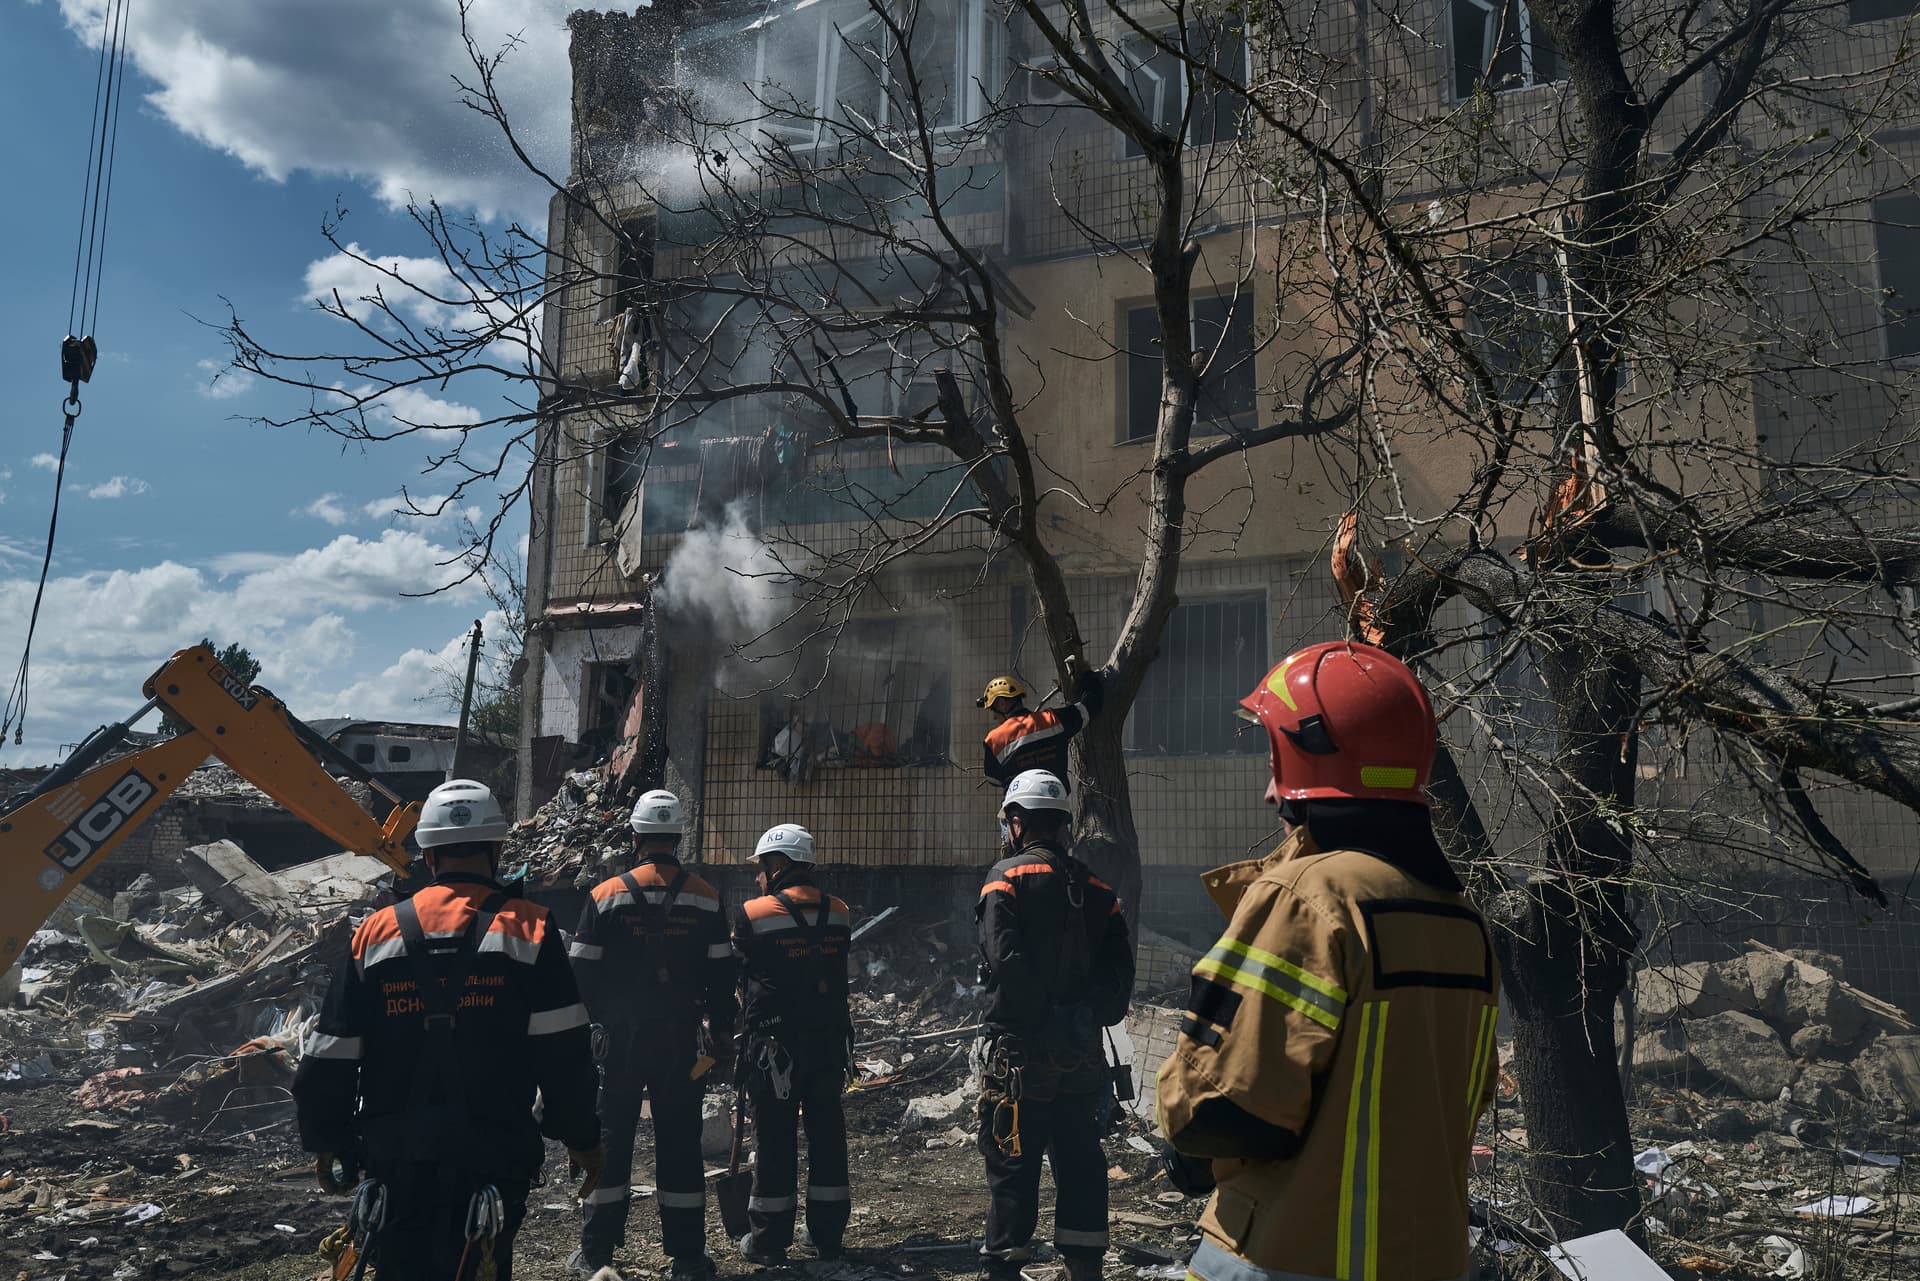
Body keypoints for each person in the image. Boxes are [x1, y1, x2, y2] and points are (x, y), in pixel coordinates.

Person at [1157, 642, 1502, 1281]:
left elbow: (1223, 1106)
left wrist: (1186, 1138)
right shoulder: (1462, 923)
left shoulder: (1307, 897)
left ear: (1312, 754)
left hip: (1287, 1256)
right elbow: (1464, 1099)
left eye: (1275, 758)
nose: (1270, 790)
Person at [294, 779, 602, 1281]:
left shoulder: (374, 932)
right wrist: (581, 1136)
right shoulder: (531, 928)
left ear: (428, 855)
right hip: (495, 1156)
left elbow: (331, 1051)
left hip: (396, 1157)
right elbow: (564, 1055)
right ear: (497, 851)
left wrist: (326, 1136)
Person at [567, 789, 735, 1280]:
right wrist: (722, 1036)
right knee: (681, 1144)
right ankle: (687, 1256)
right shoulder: (706, 897)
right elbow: (723, 977)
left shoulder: (604, 896)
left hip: (618, 1044)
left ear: (635, 836)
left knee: (610, 1140)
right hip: (681, 1042)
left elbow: (580, 977)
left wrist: (585, 1036)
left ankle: (596, 1252)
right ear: (678, 838)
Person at [975, 770, 1133, 1281]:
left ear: (1017, 822)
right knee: (1081, 1158)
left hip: (1020, 1052)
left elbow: (1004, 957)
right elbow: (1120, 971)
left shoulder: (1004, 878)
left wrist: (1040, 1018)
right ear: (1063, 823)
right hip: (1081, 1056)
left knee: (1012, 1159)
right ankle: (1085, 1266)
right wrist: (1087, 1018)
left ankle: (1005, 1265)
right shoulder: (1098, 887)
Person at [730, 823, 854, 1266]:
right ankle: (827, 1235)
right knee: (827, 1133)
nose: (758, 877)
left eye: (763, 868)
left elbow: (739, 972)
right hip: (828, 1042)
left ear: (779, 865)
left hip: (775, 1046)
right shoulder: (839, 911)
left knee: (775, 1137)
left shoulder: (753, 913)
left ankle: (768, 1239)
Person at [978, 666, 1105, 790]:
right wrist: (1088, 677)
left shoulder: (994, 740)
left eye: (993, 710)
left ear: (1002, 704)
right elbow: (1092, 704)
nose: (994, 717)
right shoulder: (1052, 720)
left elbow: (994, 779)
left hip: (1018, 803)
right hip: (1056, 799)